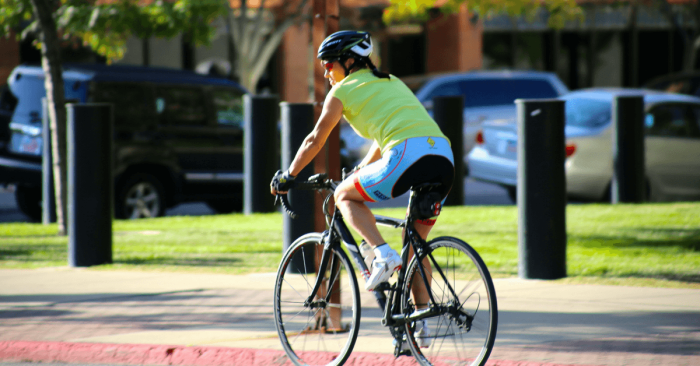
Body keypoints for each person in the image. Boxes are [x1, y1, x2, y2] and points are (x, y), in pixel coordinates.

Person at [270, 30, 455, 347]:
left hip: (407, 154)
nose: (326, 72)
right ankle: (420, 324)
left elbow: (316, 138)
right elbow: (387, 139)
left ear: (349, 61)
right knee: (415, 249)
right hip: (442, 158)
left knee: (343, 194)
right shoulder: (390, 81)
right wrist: (361, 170)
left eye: (329, 64)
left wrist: (288, 174)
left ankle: (382, 256)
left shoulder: (343, 91)